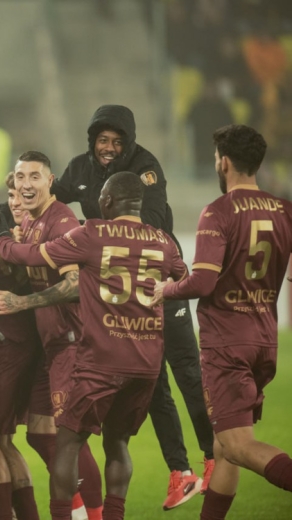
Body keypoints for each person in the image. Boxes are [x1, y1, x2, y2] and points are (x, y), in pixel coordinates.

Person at [0, 171, 188, 520]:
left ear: (107, 201)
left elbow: (33, 255)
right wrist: (163, 292)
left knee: (67, 442)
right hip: (146, 362)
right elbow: (186, 279)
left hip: (101, 359)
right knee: (117, 444)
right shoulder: (163, 240)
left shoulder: (92, 232)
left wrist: (0, 238)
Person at [51, 104, 214, 509]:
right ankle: (181, 472)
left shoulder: (146, 168)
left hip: (160, 282)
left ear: (129, 143)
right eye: (102, 140)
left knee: (187, 372)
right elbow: (55, 199)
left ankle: (213, 458)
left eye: (116, 141)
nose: (108, 147)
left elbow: (152, 221)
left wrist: (92, 237)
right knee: (153, 382)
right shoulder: (80, 168)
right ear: (92, 140)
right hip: (127, 294)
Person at [152, 124, 292, 520]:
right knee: (224, 445)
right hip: (265, 341)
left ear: (224, 162)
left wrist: (166, 289)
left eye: (216, 157)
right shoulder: (285, 210)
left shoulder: (218, 211)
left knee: (237, 445)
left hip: (227, 345)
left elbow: (203, 282)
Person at [0, 152, 103, 520]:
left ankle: (93, 515)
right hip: (51, 347)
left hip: (72, 342)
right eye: (20, 177)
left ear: (50, 181)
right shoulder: (32, 221)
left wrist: (21, 302)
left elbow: (74, 284)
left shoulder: (60, 220)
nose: (26, 185)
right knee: (41, 435)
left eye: (35, 177)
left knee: (67, 437)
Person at [0, 171, 43, 520]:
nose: (16, 201)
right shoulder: (27, 232)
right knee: (2, 439)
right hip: (25, 343)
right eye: (11, 195)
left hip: (5, 346)